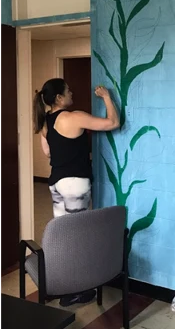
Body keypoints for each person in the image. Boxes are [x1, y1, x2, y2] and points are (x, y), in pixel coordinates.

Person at [33, 78, 119, 306]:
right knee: (77, 236)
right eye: (68, 90)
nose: (72, 92)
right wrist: (107, 97)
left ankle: (64, 285)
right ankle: (75, 289)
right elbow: (113, 122)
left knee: (63, 234)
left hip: (57, 183)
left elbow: (48, 154)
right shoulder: (73, 117)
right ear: (59, 98)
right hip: (75, 185)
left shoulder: (46, 121)